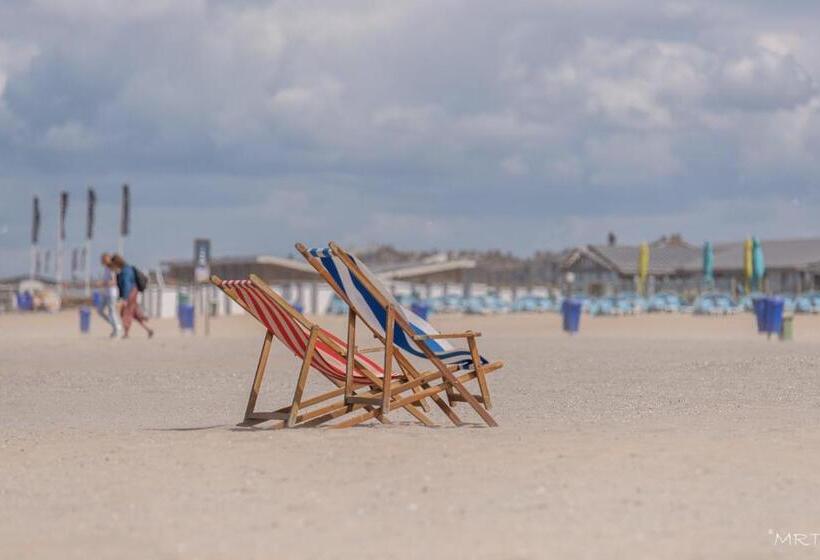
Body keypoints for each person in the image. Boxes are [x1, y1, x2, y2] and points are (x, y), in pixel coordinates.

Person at [110, 254, 154, 339]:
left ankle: (126, 333)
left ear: (116, 263)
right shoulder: (128, 269)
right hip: (133, 292)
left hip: (130, 293)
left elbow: (126, 284)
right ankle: (148, 329)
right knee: (133, 313)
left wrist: (125, 299)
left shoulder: (125, 271)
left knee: (126, 313)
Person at [98, 253, 124, 338]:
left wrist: (103, 283)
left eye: (103, 259)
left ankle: (117, 329)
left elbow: (114, 282)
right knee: (100, 310)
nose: (102, 261)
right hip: (105, 293)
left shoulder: (112, 269)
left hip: (112, 293)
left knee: (112, 311)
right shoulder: (105, 269)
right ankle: (115, 325)